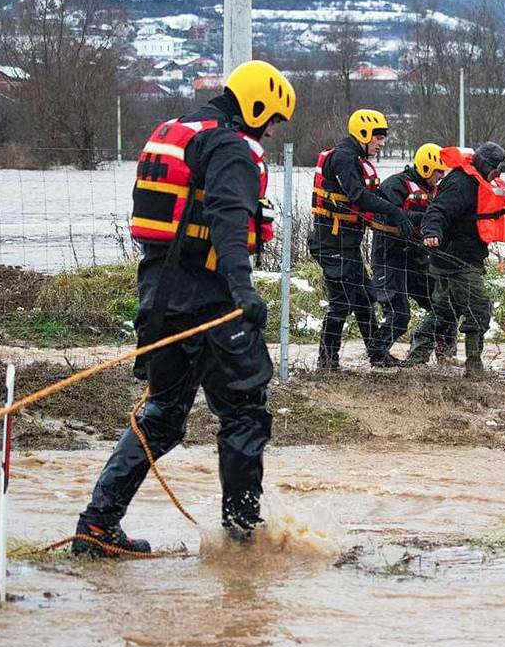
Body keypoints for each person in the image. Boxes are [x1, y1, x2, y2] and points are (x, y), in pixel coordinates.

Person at [71, 60, 295, 556]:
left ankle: (96, 525)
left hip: (159, 297)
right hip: (211, 302)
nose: (273, 131)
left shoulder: (176, 131)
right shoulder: (230, 148)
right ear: (258, 106)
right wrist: (243, 292)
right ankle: (242, 540)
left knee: (163, 416)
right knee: (244, 415)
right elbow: (229, 224)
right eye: (273, 120)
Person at [308, 109, 415, 370]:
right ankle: (327, 360)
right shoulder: (344, 158)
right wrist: (394, 212)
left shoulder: (355, 158)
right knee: (341, 302)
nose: (382, 143)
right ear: (364, 133)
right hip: (330, 242)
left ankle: (377, 354)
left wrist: (403, 214)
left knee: (365, 297)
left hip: (347, 244)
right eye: (378, 138)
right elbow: (358, 195)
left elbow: (374, 194)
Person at [402, 143, 505, 378]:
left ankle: (416, 358)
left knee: (444, 311)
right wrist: (432, 232)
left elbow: (503, 204)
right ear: (485, 164)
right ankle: (474, 366)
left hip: (455, 259)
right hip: (456, 261)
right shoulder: (460, 183)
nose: (499, 175)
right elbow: (437, 211)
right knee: (478, 309)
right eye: (497, 170)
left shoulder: (478, 182)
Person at [369, 143, 456, 362]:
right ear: (426, 167)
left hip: (417, 258)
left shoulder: (434, 191)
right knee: (399, 314)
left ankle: (444, 353)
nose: (441, 176)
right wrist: (423, 219)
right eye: (438, 171)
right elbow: (386, 215)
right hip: (390, 256)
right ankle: (377, 354)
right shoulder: (395, 186)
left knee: (443, 303)